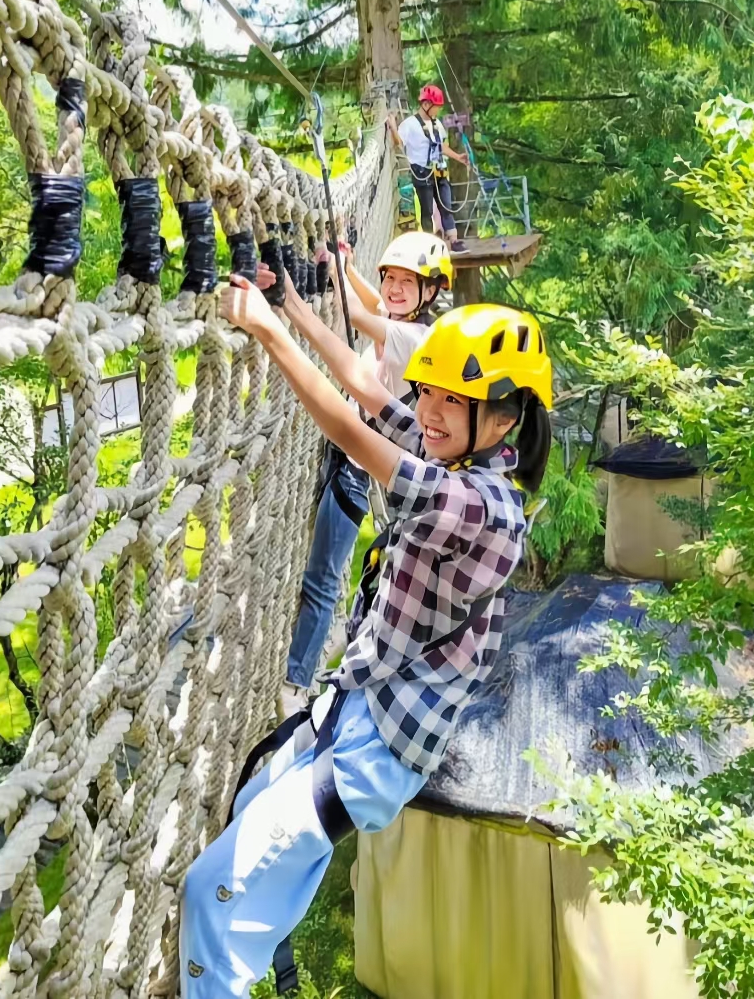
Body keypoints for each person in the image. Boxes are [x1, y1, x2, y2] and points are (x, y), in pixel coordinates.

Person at [179, 275, 553, 997]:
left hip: (375, 753)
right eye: (430, 393)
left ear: (504, 420)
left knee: (208, 890)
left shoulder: (483, 507)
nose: (432, 412)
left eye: (454, 400)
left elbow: (350, 431)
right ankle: (272, 972)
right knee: (250, 806)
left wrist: (266, 331)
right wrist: (289, 299)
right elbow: (363, 387)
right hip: (356, 707)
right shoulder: (454, 451)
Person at [281, 232, 454, 712]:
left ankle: (296, 685)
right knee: (325, 573)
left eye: (407, 282)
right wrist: (347, 267)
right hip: (351, 457)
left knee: (322, 578)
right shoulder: (407, 321)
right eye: (390, 278)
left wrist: (328, 273)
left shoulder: (414, 337)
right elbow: (376, 301)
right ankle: (307, 670)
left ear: (431, 292)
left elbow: (359, 315)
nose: (394, 290)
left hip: (359, 468)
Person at [388, 84, 469, 245]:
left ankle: (454, 241)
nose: (437, 111)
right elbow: (399, 142)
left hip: (439, 171)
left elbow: (442, 147)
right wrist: (393, 127)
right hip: (422, 173)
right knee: (427, 212)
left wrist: (458, 157)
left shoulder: (437, 124)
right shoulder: (410, 124)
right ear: (426, 105)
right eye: (435, 107)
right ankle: (429, 245)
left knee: (446, 207)